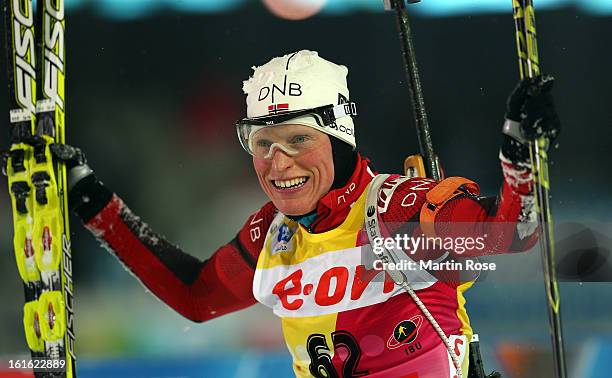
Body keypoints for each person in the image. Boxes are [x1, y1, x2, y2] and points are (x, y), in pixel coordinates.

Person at [54, 50, 560, 377]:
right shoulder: (269, 237)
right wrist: (95, 205)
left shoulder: (397, 207)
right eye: (262, 143)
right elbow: (196, 297)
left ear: (339, 140)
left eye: (299, 140)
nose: (279, 163)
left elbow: (510, 234)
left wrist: (518, 158)